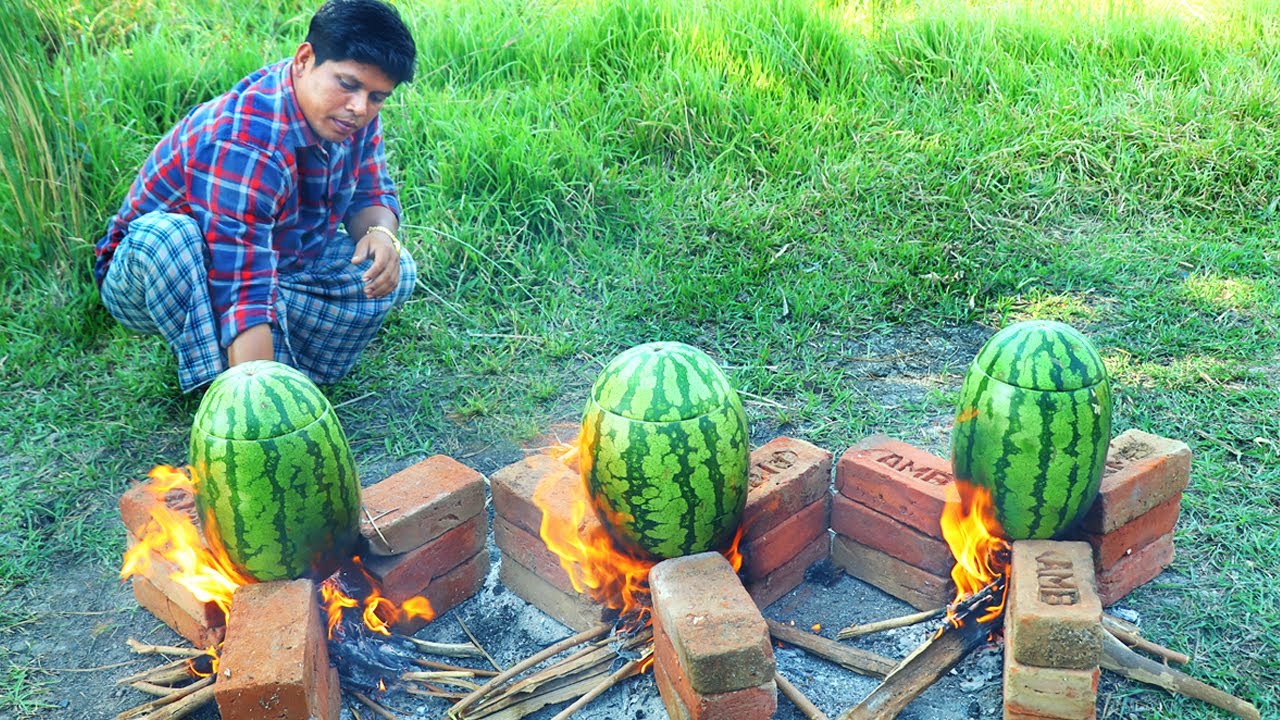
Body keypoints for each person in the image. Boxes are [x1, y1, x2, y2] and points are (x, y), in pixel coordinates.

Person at [94, 0, 418, 392]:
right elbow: (241, 284)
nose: (359, 107)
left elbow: (371, 189)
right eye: (347, 84)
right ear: (303, 59)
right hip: (157, 272)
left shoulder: (351, 113)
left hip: (275, 257)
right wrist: (262, 413)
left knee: (394, 270)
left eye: (377, 96)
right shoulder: (247, 142)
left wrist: (383, 234)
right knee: (171, 240)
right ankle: (231, 390)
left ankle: (252, 354)